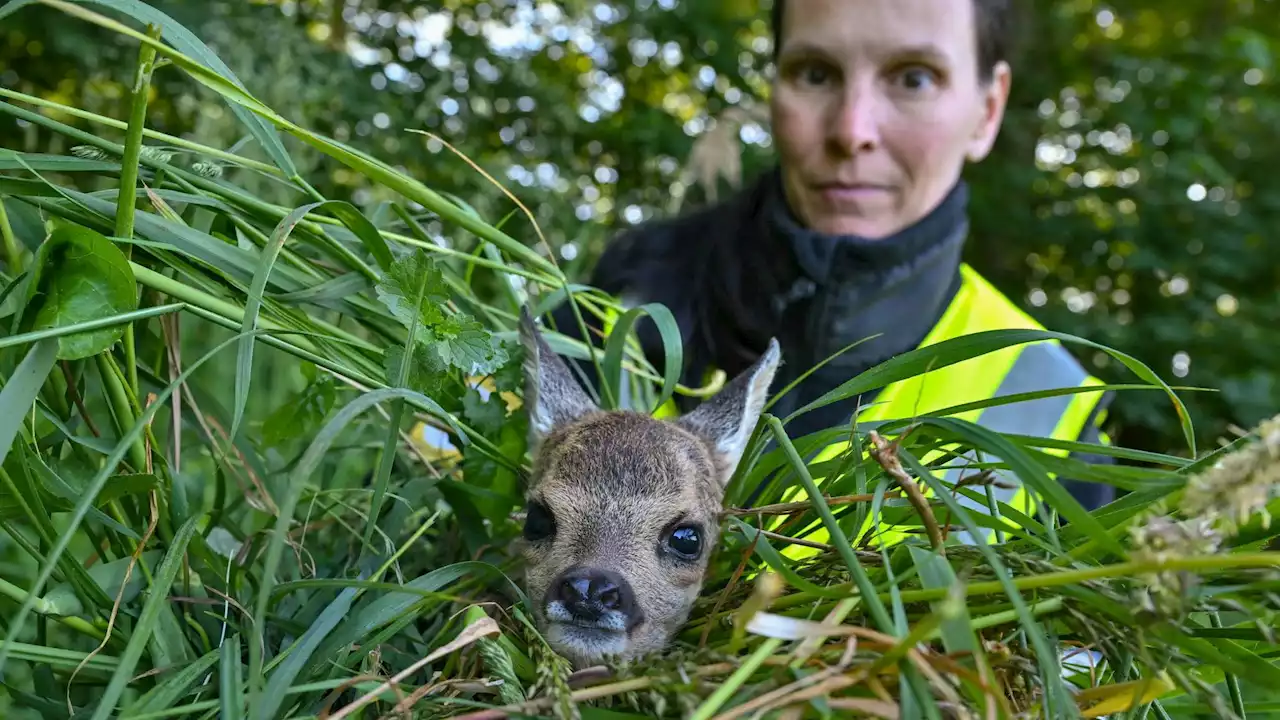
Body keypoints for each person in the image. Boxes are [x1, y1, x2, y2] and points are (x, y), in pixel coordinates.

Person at [542, 0, 1116, 546]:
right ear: (774, 88)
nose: (852, 130)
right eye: (815, 73)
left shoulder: (1047, 405)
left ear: (987, 112)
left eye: (913, 77)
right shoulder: (605, 319)